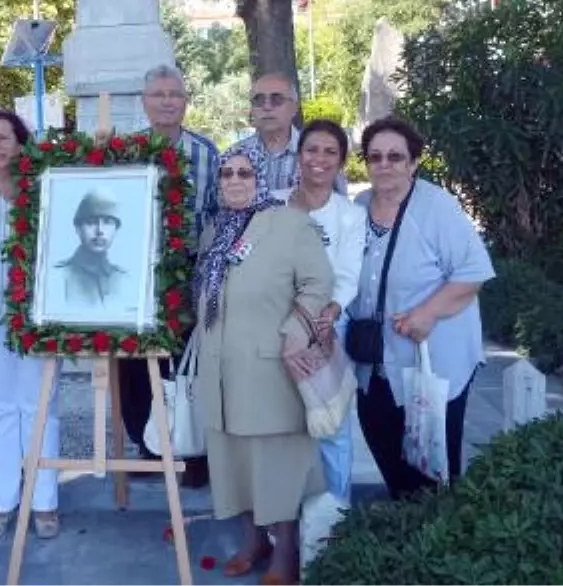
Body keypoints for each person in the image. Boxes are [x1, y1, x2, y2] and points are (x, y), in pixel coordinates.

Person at [195, 147, 334, 584]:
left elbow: (319, 283)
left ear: (261, 178)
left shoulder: (290, 223)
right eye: (227, 173)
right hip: (220, 373)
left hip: (270, 370)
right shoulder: (216, 230)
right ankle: (253, 544)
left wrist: (297, 328)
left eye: (245, 172)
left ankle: (284, 558)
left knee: (278, 470)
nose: (235, 180)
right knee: (235, 465)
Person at [349, 116, 495, 500]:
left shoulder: (436, 207)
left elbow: (475, 270)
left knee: (433, 470)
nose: (384, 165)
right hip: (376, 361)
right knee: (388, 452)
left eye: (396, 157)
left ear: (414, 162)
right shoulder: (360, 206)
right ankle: (406, 535)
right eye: (375, 156)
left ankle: (436, 546)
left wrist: (428, 312)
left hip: (432, 366)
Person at [0, 109, 62, 540]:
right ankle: (2, 499)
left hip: (39, 321)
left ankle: (44, 501)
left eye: (4, 137)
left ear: (20, 143)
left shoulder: (46, 193)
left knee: (39, 408)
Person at [121, 63, 218, 485]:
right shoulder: (124, 151)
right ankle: (145, 448)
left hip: (189, 274)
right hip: (136, 279)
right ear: (144, 103)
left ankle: (189, 450)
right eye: (158, 95)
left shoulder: (207, 153)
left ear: (185, 102)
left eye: (174, 95)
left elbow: (216, 214)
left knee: (186, 364)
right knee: (135, 364)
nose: (166, 102)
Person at [272, 119, 365, 504]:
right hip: (276, 329)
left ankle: (336, 515)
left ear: (341, 161)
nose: (319, 159)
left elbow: (347, 275)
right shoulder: (274, 204)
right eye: (312, 149)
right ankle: (283, 523)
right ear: (299, 155)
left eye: (330, 152)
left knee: (331, 424)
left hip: (327, 329)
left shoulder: (350, 215)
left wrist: (328, 312)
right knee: (280, 425)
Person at [224, 72, 348, 199]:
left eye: (277, 99)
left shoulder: (319, 153)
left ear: (294, 107)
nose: (267, 106)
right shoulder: (233, 155)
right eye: (259, 100)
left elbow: (341, 208)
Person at [51, 189, 131, 310]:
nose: (100, 230)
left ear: (116, 230)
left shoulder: (126, 281)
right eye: (91, 222)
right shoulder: (57, 278)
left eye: (107, 222)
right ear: (78, 228)